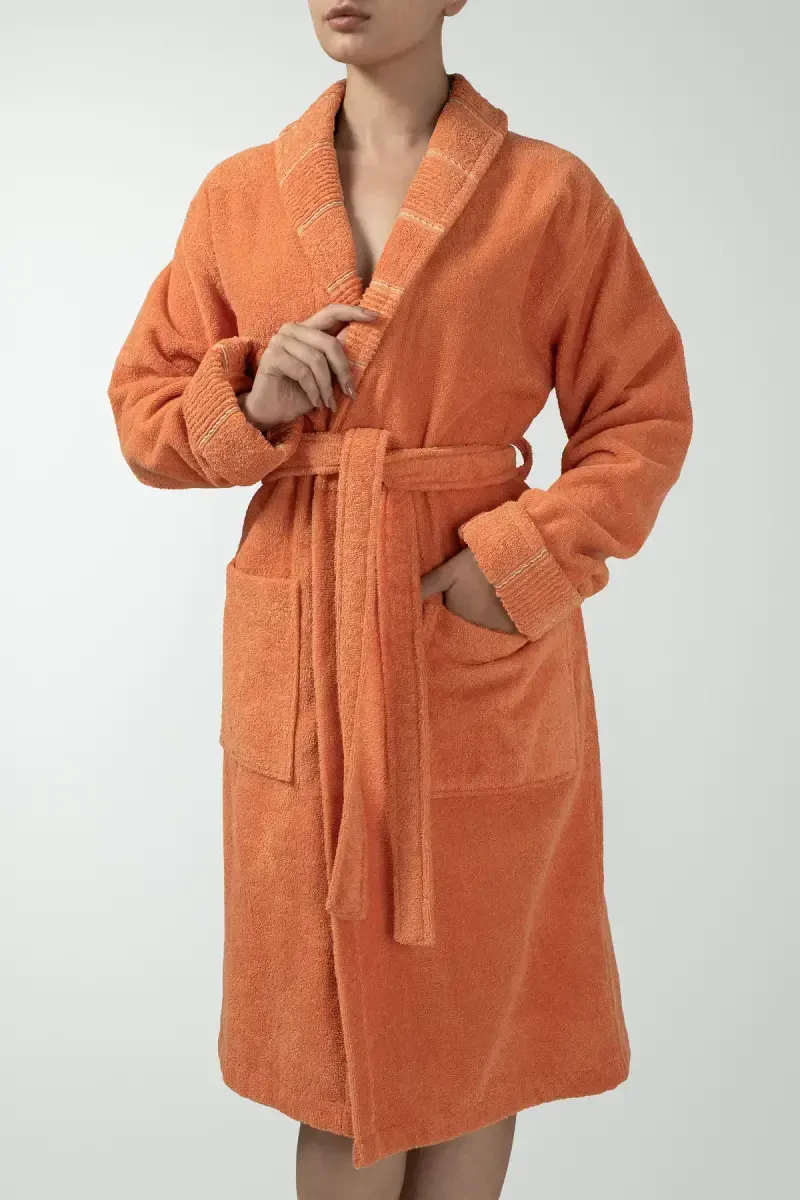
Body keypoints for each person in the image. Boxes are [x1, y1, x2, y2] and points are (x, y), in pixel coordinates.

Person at [106, 1, 693, 1197]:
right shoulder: (238, 195)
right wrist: (252, 400)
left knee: (477, 1041)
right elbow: (144, 415)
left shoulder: (547, 196)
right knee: (331, 1076)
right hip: (306, 653)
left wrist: (512, 568)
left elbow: (641, 414)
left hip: (469, 655)